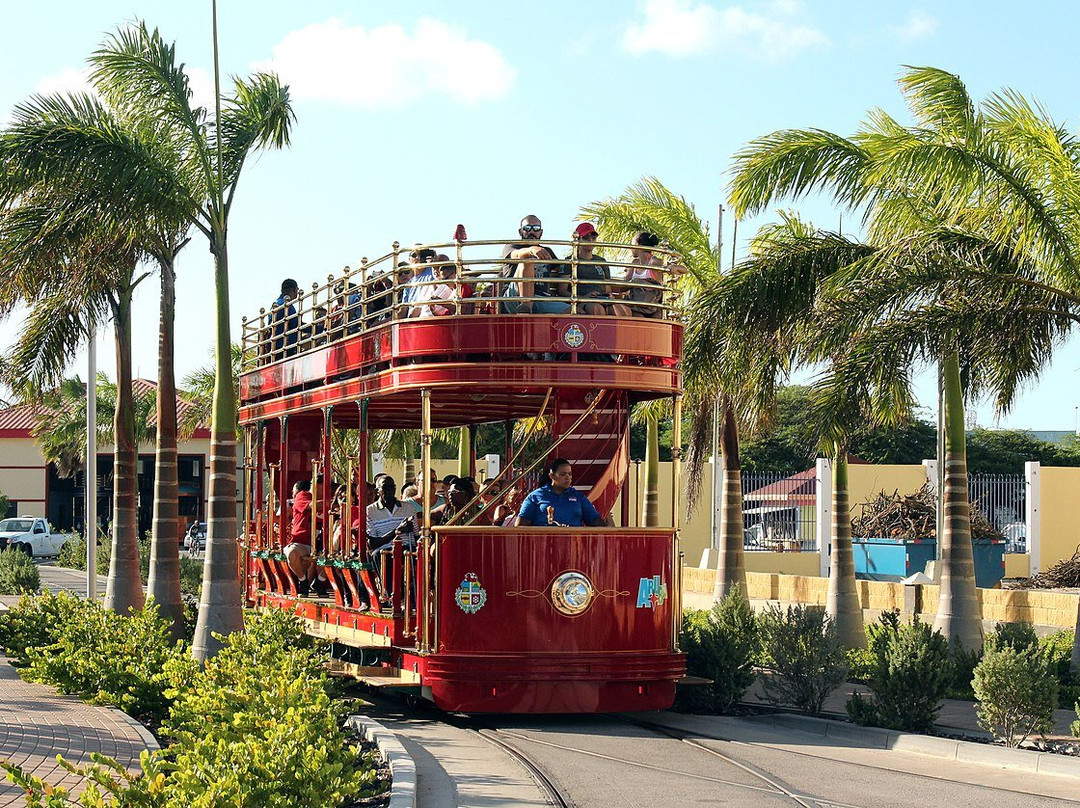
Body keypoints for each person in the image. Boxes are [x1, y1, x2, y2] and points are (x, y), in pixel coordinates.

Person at [499, 215, 569, 314]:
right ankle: (525, 307)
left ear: (541, 232)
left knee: (573, 312)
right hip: (515, 296)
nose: (531, 232)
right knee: (527, 260)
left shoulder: (546, 251)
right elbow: (517, 255)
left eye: (536, 228)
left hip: (541, 298)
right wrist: (531, 250)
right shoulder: (511, 246)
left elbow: (562, 268)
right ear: (520, 231)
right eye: (527, 228)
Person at [515, 458, 606, 527]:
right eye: (563, 474)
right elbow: (521, 525)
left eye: (569, 474)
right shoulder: (535, 496)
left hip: (572, 545)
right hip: (542, 545)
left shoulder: (579, 497)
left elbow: (594, 520)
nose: (568, 478)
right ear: (552, 476)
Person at [567, 222, 631, 317]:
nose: (590, 240)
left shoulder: (601, 261)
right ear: (578, 239)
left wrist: (608, 296)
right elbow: (562, 290)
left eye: (593, 237)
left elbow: (607, 288)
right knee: (597, 309)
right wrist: (584, 297)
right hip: (583, 301)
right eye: (586, 237)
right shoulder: (570, 261)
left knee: (623, 310)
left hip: (602, 299)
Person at [284, 480, 330, 597]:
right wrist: (334, 503)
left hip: (324, 543)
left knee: (338, 554)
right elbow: (313, 505)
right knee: (292, 553)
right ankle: (303, 580)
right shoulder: (302, 495)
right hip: (302, 542)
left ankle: (320, 582)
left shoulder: (332, 497)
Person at [366, 475, 421, 553]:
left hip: (406, 549)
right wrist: (397, 531)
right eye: (385, 487)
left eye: (392, 487)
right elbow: (373, 544)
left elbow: (416, 536)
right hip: (384, 551)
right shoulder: (370, 511)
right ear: (377, 491)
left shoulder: (408, 508)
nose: (389, 491)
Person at [271, 278, 300, 358]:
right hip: (285, 348)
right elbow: (297, 325)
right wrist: (319, 328)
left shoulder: (276, 304)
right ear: (294, 290)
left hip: (273, 347)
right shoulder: (287, 305)